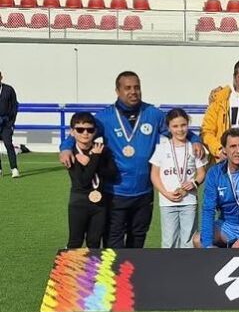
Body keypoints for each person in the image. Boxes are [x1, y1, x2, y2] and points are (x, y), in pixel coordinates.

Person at [57, 71, 203, 248]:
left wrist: (195, 141)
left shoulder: (153, 114)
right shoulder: (105, 117)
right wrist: (65, 147)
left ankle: (132, 275)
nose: (133, 91)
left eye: (137, 87)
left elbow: (179, 129)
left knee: (138, 238)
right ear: (117, 91)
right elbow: (82, 129)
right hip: (115, 191)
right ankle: (114, 275)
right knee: (113, 240)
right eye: (127, 88)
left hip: (143, 191)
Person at [149, 108, 206, 249]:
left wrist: (194, 183)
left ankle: (188, 270)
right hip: (167, 202)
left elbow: (202, 173)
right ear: (168, 127)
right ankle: (167, 270)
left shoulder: (195, 147)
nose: (180, 130)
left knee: (188, 241)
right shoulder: (162, 148)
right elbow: (154, 175)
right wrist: (165, 193)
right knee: (169, 241)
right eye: (175, 126)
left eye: (183, 125)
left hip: (189, 201)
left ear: (188, 124)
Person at [65, 112, 117, 249]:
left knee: (94, 242)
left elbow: (113, 174)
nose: (85, 133)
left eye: (90, 129)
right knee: (75, 241)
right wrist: (94, 158)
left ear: (95, 131)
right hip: (79, 203)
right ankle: (71, 271)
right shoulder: (70, 153)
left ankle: (91, 271)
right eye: (80, 130)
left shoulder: (102, 150)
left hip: (100, 204)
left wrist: (95, 159)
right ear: (72, 132)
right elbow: (83, 181)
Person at [0, 70, 19, 178]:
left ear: (1, 77)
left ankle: (14, 168)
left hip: (6, 123)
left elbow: (14, 107)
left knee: (8, 144)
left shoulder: (9, 90)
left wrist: (11, 123)